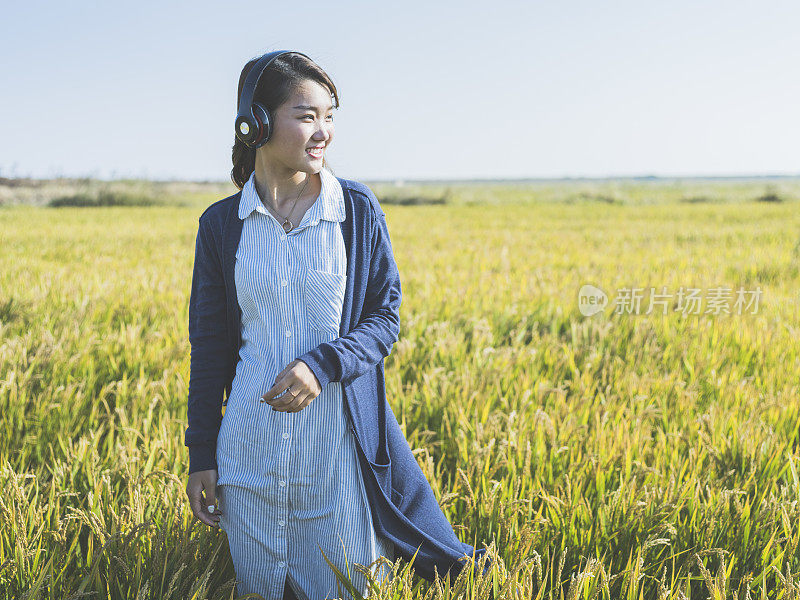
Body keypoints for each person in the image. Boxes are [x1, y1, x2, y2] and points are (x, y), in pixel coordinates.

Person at [185, 51, 490, 600]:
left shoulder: (356, 210)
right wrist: (201, 454)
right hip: (250, 458)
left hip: (338, 455)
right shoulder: (220, 227)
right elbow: (208, 347)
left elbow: (383, 317)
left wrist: (322, 364)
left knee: (355, 588)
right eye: (306, 115)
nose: (323, 131)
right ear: (254, 123)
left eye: (330, 116)